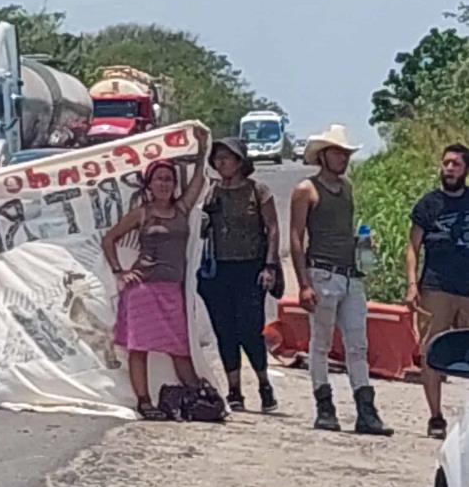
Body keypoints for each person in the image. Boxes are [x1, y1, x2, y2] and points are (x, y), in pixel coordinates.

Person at [290, 125, 392, 435]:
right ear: (323, 156)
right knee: (320, 343)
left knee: (357, 343)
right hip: (322, 272)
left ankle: (366, 409)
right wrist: (303, 283)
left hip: (350, 274)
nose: (343, 159)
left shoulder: (346, 188)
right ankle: (325, 405)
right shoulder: (306, 190)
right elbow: (296, 236)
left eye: (346, 154)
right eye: (338, 153)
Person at [101, 130, 210, 420]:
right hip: (142, 290)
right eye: (159, 179)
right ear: (149, 184)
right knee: (139, 349)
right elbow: (109, 239)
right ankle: (144, 402)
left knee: (179, 348)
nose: (164, 184)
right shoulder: (141, 214)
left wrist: (202, 149)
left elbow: (200, 179)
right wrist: (119, 272)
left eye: (169, 179)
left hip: (172, 290)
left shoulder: (181, 210)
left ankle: (196, 393)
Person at [199, 137, 281, 413]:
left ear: (240, 162)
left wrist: (269, 266)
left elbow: (272, 228)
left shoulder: (258, 191)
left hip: (250, 268)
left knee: (249, 329)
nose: (221, 163)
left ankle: (263, 383)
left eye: (227, 158)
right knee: (225, 331)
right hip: (218, 270)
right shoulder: (210, 192)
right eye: (217, 158)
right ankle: (234, 389)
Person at [406, 143, 469, 440]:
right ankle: (435, 416)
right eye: (446, 163)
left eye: (456, 164)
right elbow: (412, 247)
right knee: (431, 350)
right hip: (436, 287)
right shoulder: (428, 204)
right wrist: (410, 284)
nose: (450, 169)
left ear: (466, 169)